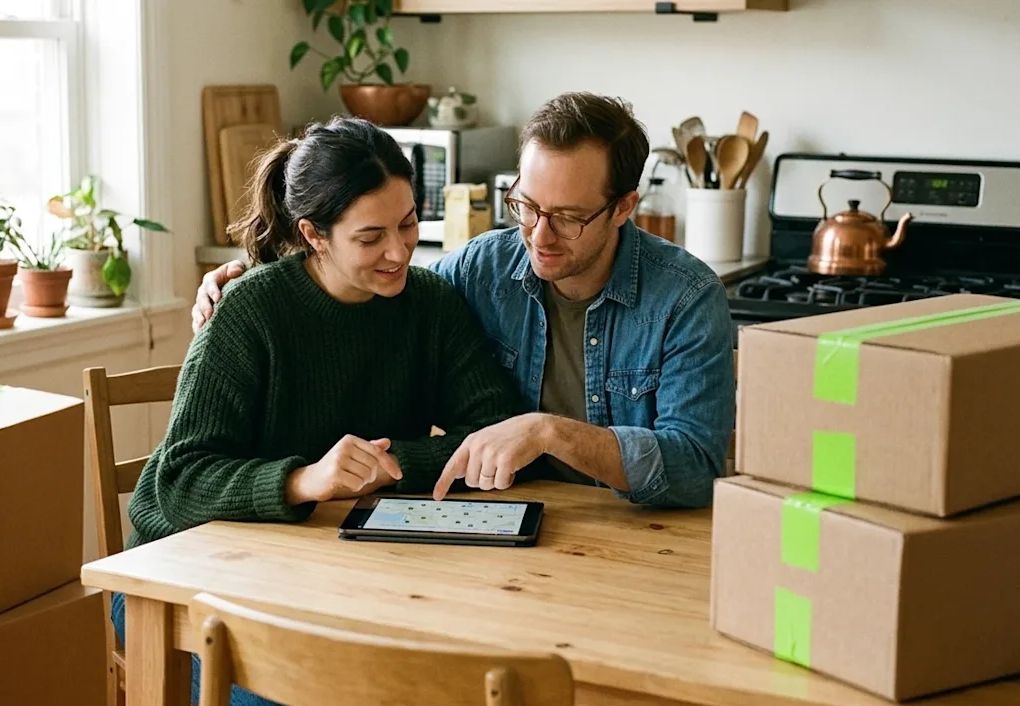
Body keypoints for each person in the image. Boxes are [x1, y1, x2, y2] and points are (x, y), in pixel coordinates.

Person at [114, 116, 545, 706]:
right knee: (301, 700)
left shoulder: (430, 305)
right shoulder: (248, 312)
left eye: (409, 222)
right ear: (314, 235)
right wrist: (302, 480)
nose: (398, 251)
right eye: (371, 238)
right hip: (180, 578)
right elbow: (179, 481)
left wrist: (387, 465)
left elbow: (498, 435)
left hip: (332, 569)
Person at [194, 92, 736, 510]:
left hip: (637, 529)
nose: (539, 236)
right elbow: (372, 283)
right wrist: (248, 285)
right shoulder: (480, 269)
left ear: (623, 208)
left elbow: (693, 470)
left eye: (569, 218)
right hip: (521, 525)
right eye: (525, 205)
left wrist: (549, 431)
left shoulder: (686, 297)